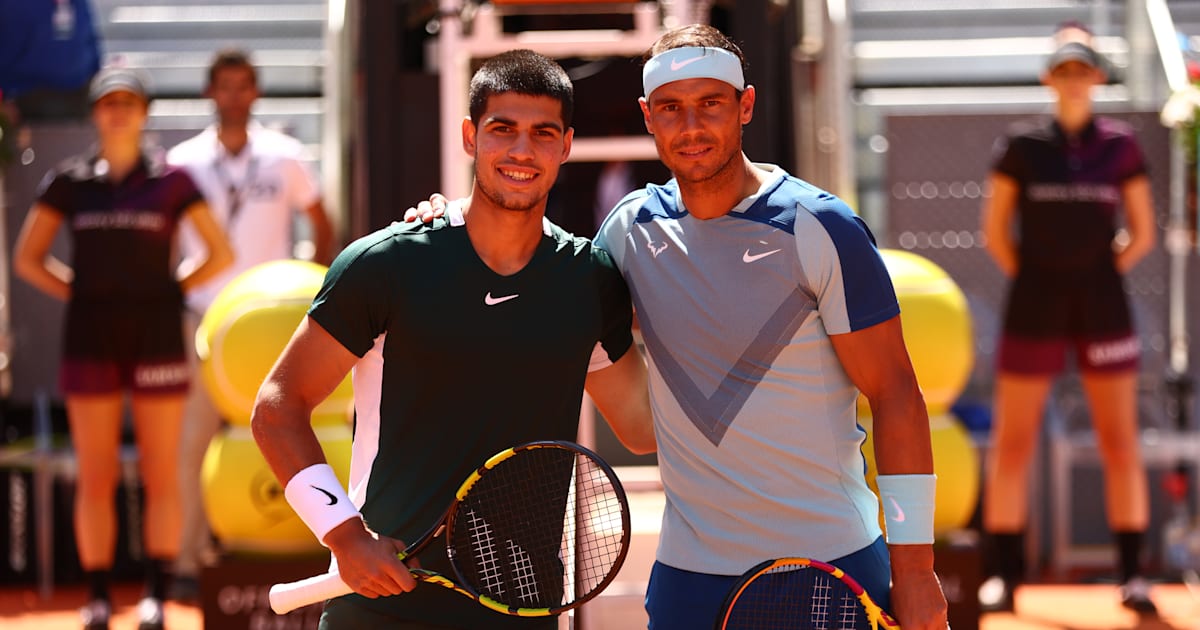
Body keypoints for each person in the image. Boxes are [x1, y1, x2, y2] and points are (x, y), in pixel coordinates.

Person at [409, 24, 949, 630]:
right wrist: (451, 221)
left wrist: (917, 570)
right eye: (670, 108)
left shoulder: (822, 228)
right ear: (647, 116)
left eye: (710, 104)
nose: (690, 127)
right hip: (688, 580)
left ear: (744, 105)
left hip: (828, 563)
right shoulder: (628, 232)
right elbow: (539, 281)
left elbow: (896, 395)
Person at [249, 49, 654, 629]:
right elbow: (277, 408)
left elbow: (640, 427)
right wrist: (345, 538)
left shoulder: (588, 280)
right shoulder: (385, 264)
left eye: (542, 133)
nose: (521, 151)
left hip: (523, 603)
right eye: (502, 130)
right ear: (470, 136)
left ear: (566, 146)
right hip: (381, 612)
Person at [11, 65, 234, 630]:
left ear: (143, 112)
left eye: (128, 103)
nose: (118, 112)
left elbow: (219, 252)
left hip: (158, 335)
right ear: (95, 112)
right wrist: (81, 293)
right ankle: (97, 596)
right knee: (97, 472)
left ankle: (155, 594)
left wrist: (172, 289)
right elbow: (26, 258)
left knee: (161, 471)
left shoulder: (172, 181)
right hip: (90, 337)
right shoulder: (69, 181)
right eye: (108, 103)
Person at [978, 39, 1158, 614]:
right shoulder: (1023, 147)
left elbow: (1143, 232)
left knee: (1119, 440)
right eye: (1064, 71)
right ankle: (1006, 576)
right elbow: (996, 234)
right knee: (1014, 440)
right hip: (1035, 301)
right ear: (1048, 80)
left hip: (1102, 303)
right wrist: (1042, 277)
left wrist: (1096, 273)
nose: (1075, 80)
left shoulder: (1121, 146)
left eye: (1084, 71)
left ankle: (1133, 576)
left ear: (1099, 79)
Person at [165, 47, 335, 598]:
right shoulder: (183, 161)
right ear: (209, 93)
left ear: (256, 92)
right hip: (206, 323)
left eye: (243, 85)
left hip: (273, 323)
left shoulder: (283, 155)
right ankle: (193, 562)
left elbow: (320, 221)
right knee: (195, 443)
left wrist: (308, 285)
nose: (234, 95)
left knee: (287, 433)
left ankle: (304, 549)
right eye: (225, 85)